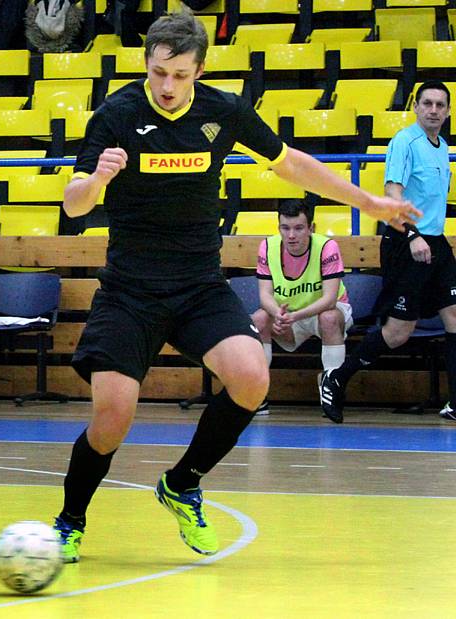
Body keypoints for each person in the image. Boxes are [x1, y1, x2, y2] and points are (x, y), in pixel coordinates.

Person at [52, 10, 419, 563]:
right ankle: (71, 518)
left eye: (179, 75)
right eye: (158, 73)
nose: (168, 86)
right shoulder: (117, 114)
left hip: (199, 283)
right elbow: (72, 202)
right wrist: (98, 179)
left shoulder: (222, 111)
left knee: (251, 377)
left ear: (199, 69)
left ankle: (182, 483)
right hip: (130, 289)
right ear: (146, 65)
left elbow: (290, 163)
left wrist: (369, 202)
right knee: (113, 416)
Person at [320, 81, 456, 424]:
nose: (434, 110)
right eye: (428, 103)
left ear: (448, 111)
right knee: (398, 332)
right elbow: (392, 190)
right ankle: (336, 379)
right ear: (416, 106)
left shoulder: (442, 146)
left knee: (455, 316)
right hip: (405, 242)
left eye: (441, 105)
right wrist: (411, 235)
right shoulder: (404, 142)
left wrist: (428, 238)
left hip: (436, 243)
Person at [251, 200, 351, 416]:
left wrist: (294, 316)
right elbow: (264, 295)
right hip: (288, 314)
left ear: (311, 229)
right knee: (258, 319)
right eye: (285, 228)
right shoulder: (267, 247)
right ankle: (257, 394)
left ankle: (332, 386)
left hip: (320, 311)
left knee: (329, 317)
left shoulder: (327, 247)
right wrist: (278, 314)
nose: (291, 235)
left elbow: (330, 299)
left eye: (298, 228)